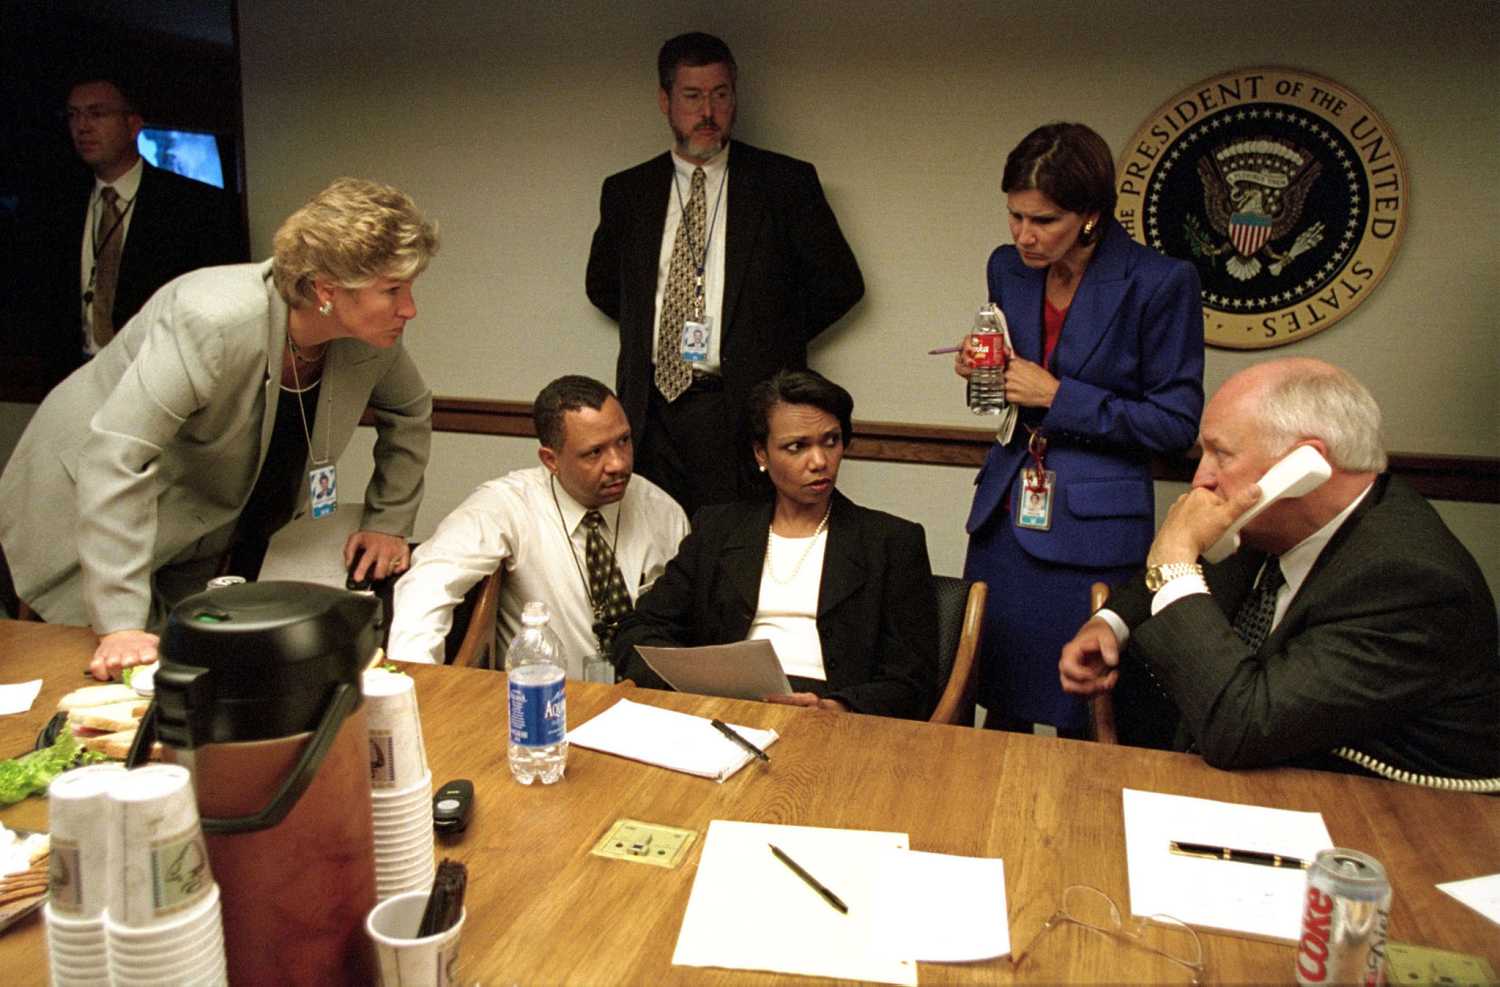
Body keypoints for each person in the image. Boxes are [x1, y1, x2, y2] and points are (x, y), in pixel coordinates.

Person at [0, 177, 437, 678]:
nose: (410, 308)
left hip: (192, 524)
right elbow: (117, 458)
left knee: (187, 676)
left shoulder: (368, 339)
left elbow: (411, 411)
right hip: (84, 506)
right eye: (392, 290)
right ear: (325, 289)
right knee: (98, 677)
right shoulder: (210, 318)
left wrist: (388, 521)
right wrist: (119, 624)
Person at [1059, 359, 1500, 779]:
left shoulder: (1409, 582)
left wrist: (1174, 560)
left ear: (1304, 467)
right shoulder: (1266, 528)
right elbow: (1194, 570)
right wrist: (1110, 623)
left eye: (1221, 454)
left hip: (1395, 818)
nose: (1201, 479)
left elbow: (1242, 727)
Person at [954, 122, 1204, 735]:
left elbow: (1175, 424)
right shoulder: (1007, 269)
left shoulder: (1160, 281)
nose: (1024, 236)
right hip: (1006, 515)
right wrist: (985, 368)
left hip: (1093, 531)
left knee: (1084, 718)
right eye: (1015, 216)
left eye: (1044, 221)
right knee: (992, 706)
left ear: (1091, 215)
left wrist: (1061, 397)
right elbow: (1013, 384)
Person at [585, 32, 865, 517]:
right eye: (692, 97)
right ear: (665, 101)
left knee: (734, 552)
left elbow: (840, 285)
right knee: (651, 549)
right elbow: (606, 287)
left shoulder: (784, 184)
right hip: (649, 410)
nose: (708, 112)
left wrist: (763, 335)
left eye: (720, 95)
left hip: (737, 408)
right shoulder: (628, 192)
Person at [614, 370, 939, 719]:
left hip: (835, 716)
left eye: (831, 441)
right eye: (797, 447)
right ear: (761, 454)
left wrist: (836, 706)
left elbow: (914, 680)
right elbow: (639, 630)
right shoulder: (718, 529)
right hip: (728, 708)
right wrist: (697, 683)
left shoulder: (891, 541)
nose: (819, 461)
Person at [387, 375, 689, 674]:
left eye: (623, 441)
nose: (619, 464)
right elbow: (429, 585)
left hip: (648, 703)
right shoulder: (508, 504)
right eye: (594, 452)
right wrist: (417, 689)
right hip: (546, 702)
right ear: (550, 460)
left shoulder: (662, 512)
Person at [19, 75, 246, 388]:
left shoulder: (194, 206)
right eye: (73, 115)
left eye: (97, 114)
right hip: (73, 381)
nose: (82, 126)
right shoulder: (55, 206)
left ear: (133, 124)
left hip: (162, 383)